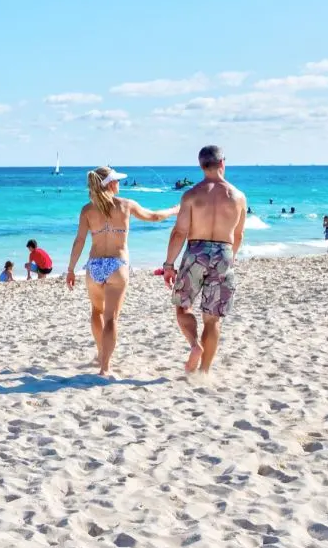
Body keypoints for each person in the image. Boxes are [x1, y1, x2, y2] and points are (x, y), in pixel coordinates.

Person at [66, 166, 179, 378]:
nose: (119, 183)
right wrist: (174, 210)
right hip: (117, 265)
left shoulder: (87, 210)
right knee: (111, 319)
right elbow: (154, 217)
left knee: (96, 312)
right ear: (110, 183)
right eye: (116, 180)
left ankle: (101, 354)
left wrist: (71, 269)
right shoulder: (125, 205)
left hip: (94, 266)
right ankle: (105, 367)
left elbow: (79, 240)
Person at [163, 145, 247, 374]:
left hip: (195, 251)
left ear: (201, 166)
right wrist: (230, 258)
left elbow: (179, 232)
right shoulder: (238, 197)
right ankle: (204, 372)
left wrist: (169, 265)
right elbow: (238, 235)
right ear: (222, 163)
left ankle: (194, 345)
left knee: (183, 307)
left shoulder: (191, 195)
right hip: (224, 252)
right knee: (213, 319)